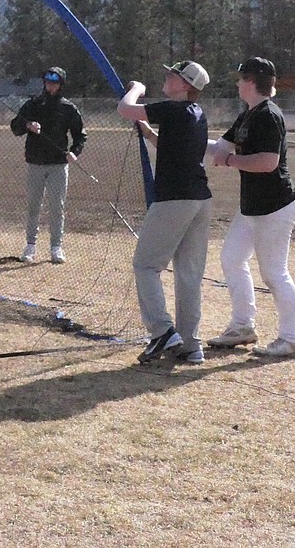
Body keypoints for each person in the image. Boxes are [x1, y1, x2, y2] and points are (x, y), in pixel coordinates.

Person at [208, 56, 295, 358]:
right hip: (251, 207)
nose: (237, 84)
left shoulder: (268, 115)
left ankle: (291, 339)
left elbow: (268, 162)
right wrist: (175, 139)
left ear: (252, 82)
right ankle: (242, 326)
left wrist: (231, 160)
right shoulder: (247, 115)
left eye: (241, 79)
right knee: (232, 259)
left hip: (276, 207)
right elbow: (219, 148)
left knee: (274, 274)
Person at [118, 61, 213, 364]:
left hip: (174, 199)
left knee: (145, 266)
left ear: (185, 85)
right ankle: (190, 344)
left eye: (173, 74)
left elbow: (125, 109)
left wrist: (136, 90)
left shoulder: (173, 109)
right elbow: (173, 147)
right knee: (189, 275)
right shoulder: (197, 115)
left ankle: (161, 331)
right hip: (199, 200)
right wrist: (147, 133)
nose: (167, 77)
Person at [10, 66, 86, 264]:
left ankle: (56, 247)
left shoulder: (69, 108)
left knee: (57, 207)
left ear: (61, 85)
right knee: (34, 205)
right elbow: (15, 127)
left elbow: (80, 135)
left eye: (54, 82)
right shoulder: (32, 105)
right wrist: (27, 125)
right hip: (35, 162)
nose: (50, 85)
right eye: (47, 82)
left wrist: (74, 152)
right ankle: (30, 246)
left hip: (58, 165)